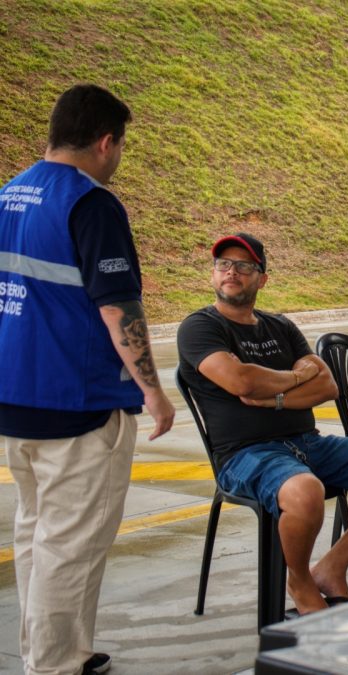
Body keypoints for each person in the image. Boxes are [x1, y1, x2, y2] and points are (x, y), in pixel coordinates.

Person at [0, 84, 175, 675]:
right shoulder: (91, 203)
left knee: (37, 537)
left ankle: (59, 651)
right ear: (105, 142)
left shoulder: (9, 195)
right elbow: (117, 308)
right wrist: (152, 389)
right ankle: (52, 667)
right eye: (120, 146)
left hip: (15, 400)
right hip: (76, 402)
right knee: (69, 548)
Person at [176, 233, 348, 616]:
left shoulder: (280, 326)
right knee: (305, 491)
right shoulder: (200, 327)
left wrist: (275, 392)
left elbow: (327, 385)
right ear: (213, 275)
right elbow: (241, 382)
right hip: (245, 454)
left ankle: (332, 565)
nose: (232, 272)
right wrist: (296, 376)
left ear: (262, 278)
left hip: (307, 443)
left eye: (244, 267)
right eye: (224, 265)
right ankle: (298, 580)